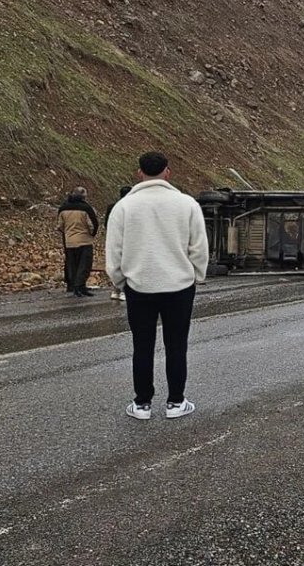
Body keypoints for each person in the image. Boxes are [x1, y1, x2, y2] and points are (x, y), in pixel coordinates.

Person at [106, 152, 209, 420]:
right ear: (168, 172)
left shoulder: (124, 207)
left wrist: (119, 280)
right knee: (176, 345)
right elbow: (199, 246)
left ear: (139, 173)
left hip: (139, 285)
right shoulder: (187, 204)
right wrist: (196, 275)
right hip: (179, 286)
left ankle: (142, 403)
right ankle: (176, 401)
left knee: (142, 346)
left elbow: (114, 251)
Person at [57, 186, 99, 298]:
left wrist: (67, 233)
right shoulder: (86, 208)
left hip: (69, 241)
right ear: (83, 196)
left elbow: (60, 226)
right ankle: (80, 286)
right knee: (84, 265)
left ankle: (72, 285)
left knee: (72, 264)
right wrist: (92, 234)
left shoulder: (63, 208)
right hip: (84, 240)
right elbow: (92, 224)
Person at [104, 186, 132, 301]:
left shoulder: (113, 207)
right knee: (127, 264)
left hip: (115, 237)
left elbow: (107, 223)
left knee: (115, 262)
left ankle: (115, 289)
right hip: (128, 238)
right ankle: (124, 290)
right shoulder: (131, 207)